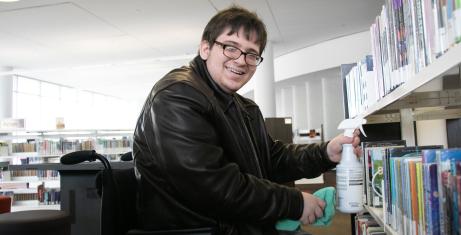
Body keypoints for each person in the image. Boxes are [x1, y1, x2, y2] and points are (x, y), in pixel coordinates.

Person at [132, 5, 361, 235]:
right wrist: (294, 203)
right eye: (231, 48)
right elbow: (213, 187)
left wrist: (326, 153)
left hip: (243, 225)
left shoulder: (244, 107)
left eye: (251, 54)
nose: (241, 61)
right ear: (205, 48)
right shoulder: (177, 96)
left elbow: (272, 159)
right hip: (204, 230)